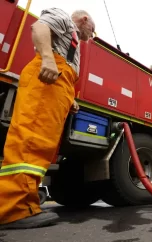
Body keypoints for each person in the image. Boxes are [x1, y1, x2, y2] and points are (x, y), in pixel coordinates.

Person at [0, 8, 95, 229]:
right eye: (92, 29)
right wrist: (47, 59)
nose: (92, 35)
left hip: (58, 85)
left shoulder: (73, 39)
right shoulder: (63, 17)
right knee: (31, 141)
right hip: (47, 80)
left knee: (41, 146)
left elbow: (66, 68)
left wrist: (69, 96)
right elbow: (39, 27)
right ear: (84, 20)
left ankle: (25, 204)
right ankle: (13, 209)